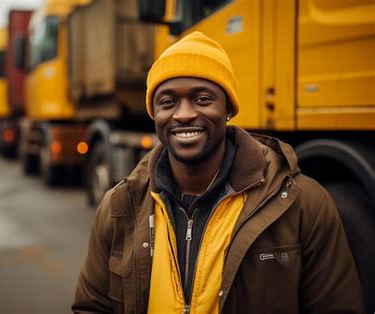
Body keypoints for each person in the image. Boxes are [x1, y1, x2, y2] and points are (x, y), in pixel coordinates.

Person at [72, 32, 364, 313]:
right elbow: (92, 307)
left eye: (202, 99)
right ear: (155, 114)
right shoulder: (119, 206)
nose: (183, 114)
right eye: (167, 102)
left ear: (228, 109)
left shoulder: (304, 204)